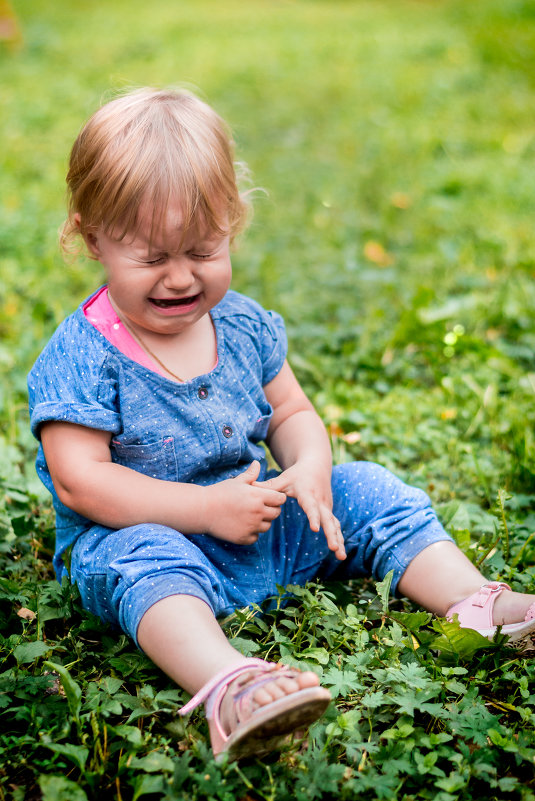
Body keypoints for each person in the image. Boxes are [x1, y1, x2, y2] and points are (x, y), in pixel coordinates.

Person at [28, 87, 535, 763]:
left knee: (369, 488)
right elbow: (82, 483)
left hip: (261, 526)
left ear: (232, 225)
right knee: (140, 556)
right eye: (152, 257)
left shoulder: (241, 326)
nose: (181, 277)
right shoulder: (84, 357)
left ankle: (477, 605)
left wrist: (307, 466)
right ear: (93, 238)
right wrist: (206, 508)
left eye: (202, 250)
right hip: (148, 540)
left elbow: (292, 411)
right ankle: (228, 682)